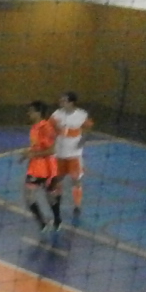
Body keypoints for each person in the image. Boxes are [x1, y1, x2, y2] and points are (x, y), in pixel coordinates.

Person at [50, 92, 94, 214]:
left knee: (76, 179)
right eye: (60, 100)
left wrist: (83, 140)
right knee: (58, 178)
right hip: (59, 153)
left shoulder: (81, 115)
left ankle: (77, 205)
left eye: (64, 100)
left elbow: (88, 128)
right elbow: (49, 128)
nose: (61, 103)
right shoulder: (57, 114)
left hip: (74, 154)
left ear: (71, 103)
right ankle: (57, 200)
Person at [20, 100, 60, 233]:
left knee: (50, 196)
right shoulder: (34, 127)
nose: (28, 113)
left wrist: (33, 154)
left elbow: (52, 150)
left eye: (31, 111)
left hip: (47, 168)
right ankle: (42, 222)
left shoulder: (46, 128)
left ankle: (57, 219)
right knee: (29, 195)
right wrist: (26, 154)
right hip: (35, 167)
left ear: (39, 112)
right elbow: (37, 146)